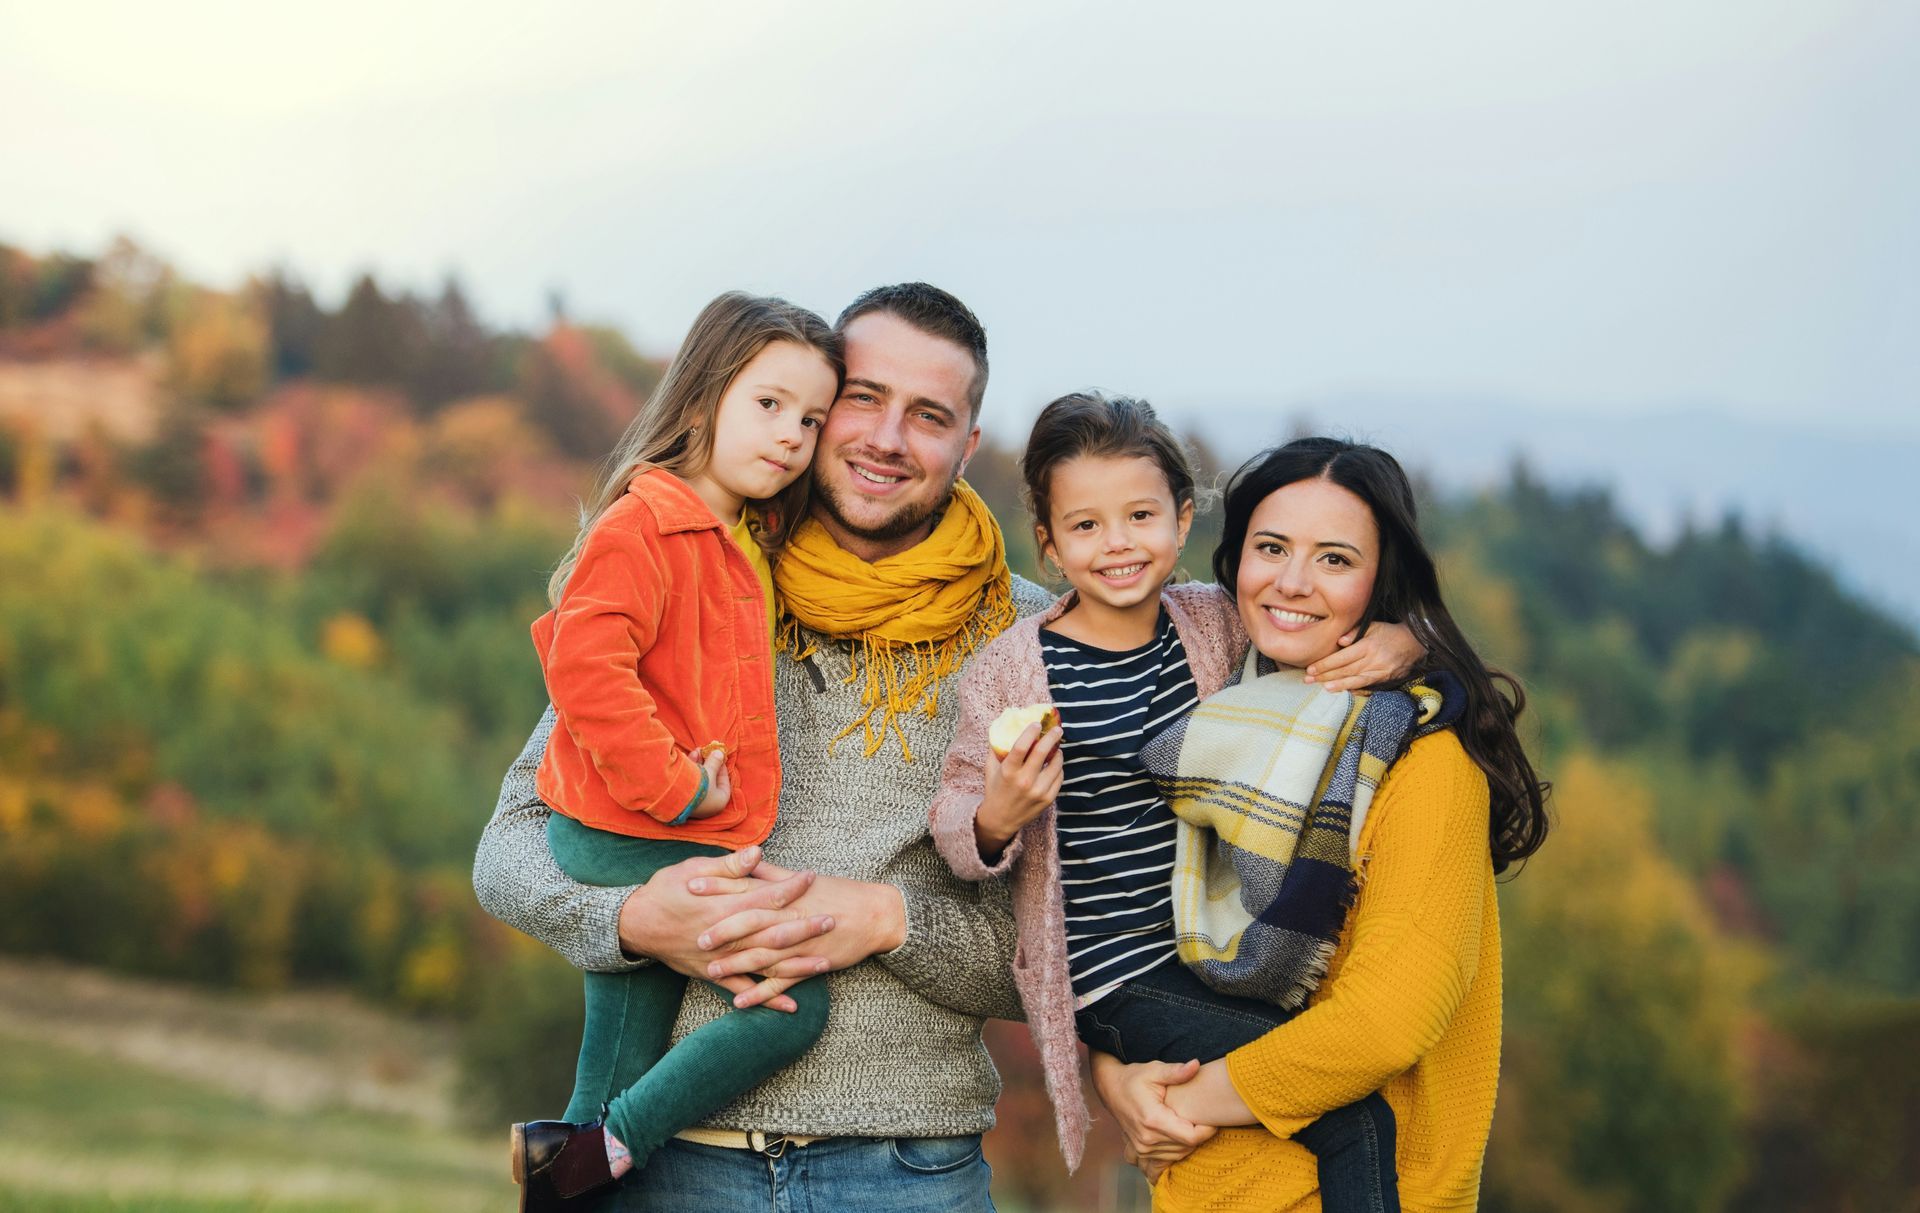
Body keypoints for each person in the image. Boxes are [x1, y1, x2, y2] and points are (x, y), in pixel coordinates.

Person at [477, 283, 1046, 1211]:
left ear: (968, 444)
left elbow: (1058, 962)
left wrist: (889, 918)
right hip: (670, 1165)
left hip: (907, 1169)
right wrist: (632, 922)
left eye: (929, 414)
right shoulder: (698, 566)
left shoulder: (1027, 642)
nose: (886, 438)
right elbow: (508, 847)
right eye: (862, 399)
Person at [928, 395, 1425, 1213]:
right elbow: (953, 815)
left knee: (1309, 1096)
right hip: (1116, 977)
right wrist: (998, 815)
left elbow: (1319, 633)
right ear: (1048, 545)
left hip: (1210, 947)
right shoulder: (1012, 669)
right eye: (1085, 526)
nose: (1117, 542)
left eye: (1139, 515)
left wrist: (1406, 642)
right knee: (1348, 1109)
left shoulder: (1213, 622)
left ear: (1182, 518)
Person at [1089, 437, 1551, 1212]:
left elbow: (1384, 1021)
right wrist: (1117, 1078)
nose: (1292, 582)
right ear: (1234, 561)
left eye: (1335, 559)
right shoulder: (1211, 722)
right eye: (1271, 547)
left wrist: (1183, 1102)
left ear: (1381, 579)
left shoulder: (1423, 760)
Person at [509, 292, 843, 1209]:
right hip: (633, 829)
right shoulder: (644, 524)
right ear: (703, 395)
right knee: (794, 1000)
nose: (791, 436)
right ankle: (616, 1143)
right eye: (768, 404)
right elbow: (582, 663)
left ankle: (574, 1158)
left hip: (652, 828)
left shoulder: (741, 533)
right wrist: (676, 786)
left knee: (616, 1057)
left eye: (810, 420)